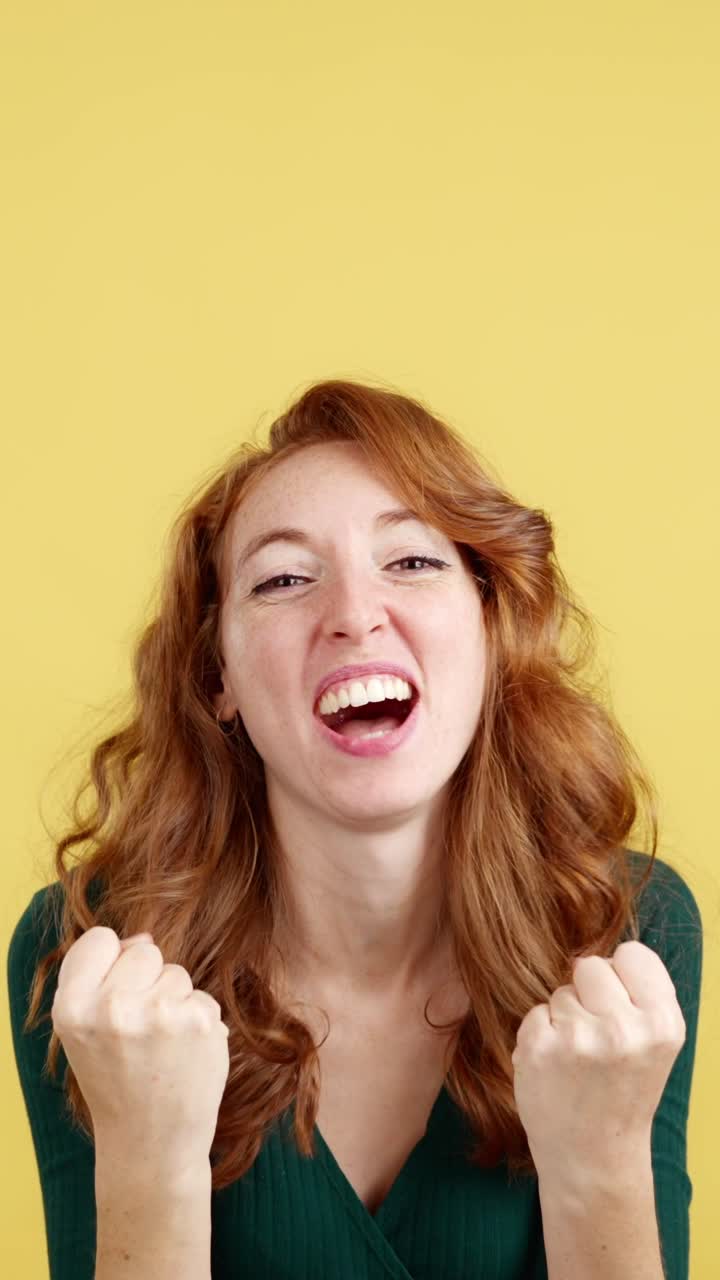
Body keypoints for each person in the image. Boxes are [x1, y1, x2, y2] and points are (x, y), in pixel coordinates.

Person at [7, 379, 703, 1279]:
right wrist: (148, 1163)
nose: (354, 614)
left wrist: (599, 1164)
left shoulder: (625, 929)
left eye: (411, 562)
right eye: (285, 579)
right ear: (218, 676)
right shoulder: (86, 959)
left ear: (490, 628)